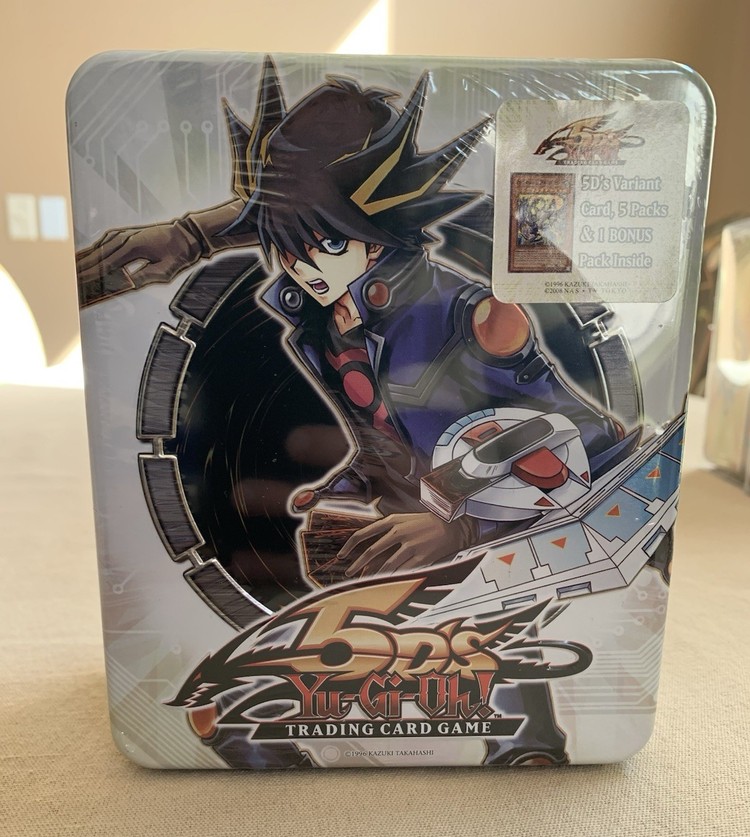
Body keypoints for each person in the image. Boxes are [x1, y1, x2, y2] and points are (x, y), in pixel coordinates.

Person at [77, 57, 630, 581]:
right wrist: (355, 484)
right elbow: (393, 441)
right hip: (425, 548)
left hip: (558, 544)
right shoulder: (324, 324)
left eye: (333, 244)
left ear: (380, 236)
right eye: (287, 248)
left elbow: (588, 444)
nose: (304, 268)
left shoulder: (477, 319)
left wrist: (463, 527)